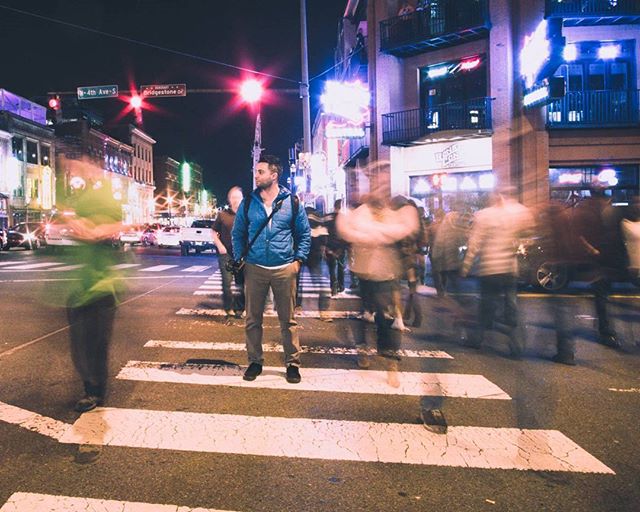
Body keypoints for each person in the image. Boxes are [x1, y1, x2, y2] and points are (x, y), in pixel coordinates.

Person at [232, 155, 311, 384]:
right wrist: (241, 259)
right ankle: (255, 361)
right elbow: (238, 234)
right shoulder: (249, 202)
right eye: (256, 171)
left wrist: (298, 261)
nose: (256, 175)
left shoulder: (292, 202)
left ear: (274, 175)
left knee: (288, 320)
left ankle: (292, 364)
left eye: (260, 171)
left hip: (284, 268)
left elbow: (304, 234)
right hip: (255, 267)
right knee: (252, 319)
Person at [337, 188, 419, 386]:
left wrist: (374, 233)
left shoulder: (392, 216)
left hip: (387, 274)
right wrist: (375, 234)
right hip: (365, 274)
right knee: (365, 317)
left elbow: (404, 232)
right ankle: (363, 350)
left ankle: (391, 363)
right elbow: (348, 232)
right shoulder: (361, 214)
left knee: (387, 319)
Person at [64, 181, 125, 412]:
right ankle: (90, 385)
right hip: (79, 288)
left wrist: (96, 230)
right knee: (79, 344)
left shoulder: (108, 225)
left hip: (102, 289)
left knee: (96, 342)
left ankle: (94, 391)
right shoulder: (78, 212)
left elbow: (118, 225)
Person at [460, 187, 534, 358]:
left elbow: (475, 242)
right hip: (509, 269)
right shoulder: (518, 212)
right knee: (511, 307)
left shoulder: (484, 215)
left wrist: (466, 265)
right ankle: (517, 347)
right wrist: (517, 243)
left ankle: (477, 339)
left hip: (490, 269)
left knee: (486, 306)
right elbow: (530, 231)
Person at [213, 186, 245, 319]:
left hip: (242, 255)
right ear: (229, 199)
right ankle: (228, 308)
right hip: (225, 254)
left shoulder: (246, 215)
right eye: (233, 197)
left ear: (242, 198)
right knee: (227, 283)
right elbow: (214, 232)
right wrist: (220, 245)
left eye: (238, 197)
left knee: (241, 284)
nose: (236, 200)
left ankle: (240, 308)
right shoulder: (222, 215)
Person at [325, 199, 348, 298]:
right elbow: (345, 234)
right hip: (340, 246)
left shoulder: (328, 217)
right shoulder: (343, 218)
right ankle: (341, 287)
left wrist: (325, 246)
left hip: (330, 246)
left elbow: (324, 232)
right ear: (341, 206)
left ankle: (333, 288)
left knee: (332, 268)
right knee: (340, 267)